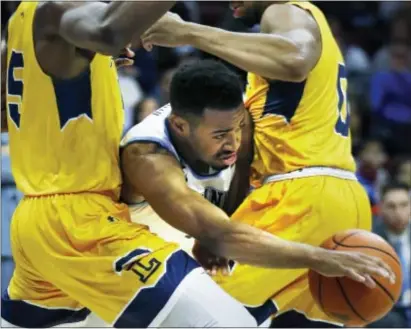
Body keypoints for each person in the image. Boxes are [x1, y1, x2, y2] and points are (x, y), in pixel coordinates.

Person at [0, 1, 268, 328]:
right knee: (231, 323)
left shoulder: (22, 23)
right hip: (77, 221)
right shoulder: (60, 9)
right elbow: (109, 30)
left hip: (41, 219)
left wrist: (87, 68)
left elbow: (15, 109)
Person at [141, 1, 378, 325]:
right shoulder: (268, 71)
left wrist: (187, 31)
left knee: (190, 310)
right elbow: (248, 154)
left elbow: (294, 59)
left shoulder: (285, 10)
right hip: (339, 199)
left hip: (301, 196)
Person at [371, 182, 411, 328]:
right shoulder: (368, 241)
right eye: (391, 206)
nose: (398, 212)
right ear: (380, 209)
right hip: (388, 310)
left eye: (404, 205)